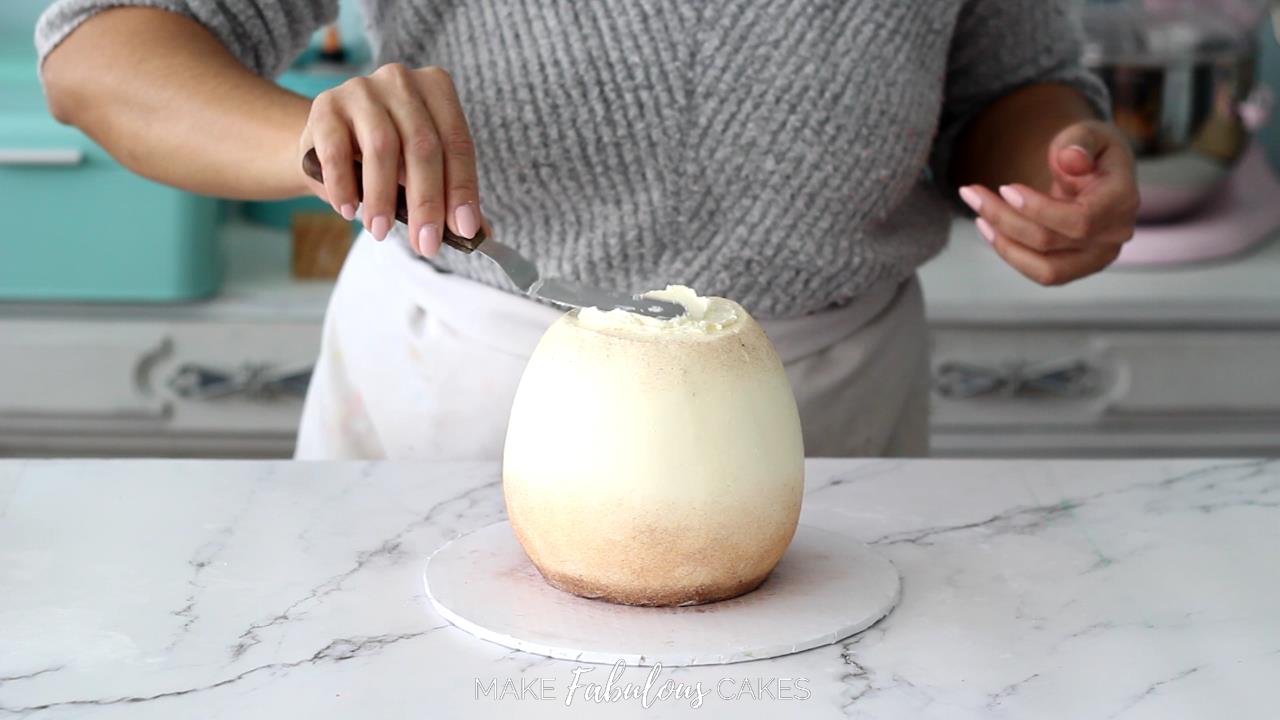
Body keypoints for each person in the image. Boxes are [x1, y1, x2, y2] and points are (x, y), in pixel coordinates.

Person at [36, 1, 1139, 460]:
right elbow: (99, 50)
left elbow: (1013, 82)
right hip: (465, 394)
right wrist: (314, 136)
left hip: (828, 408)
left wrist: (1054, 170)